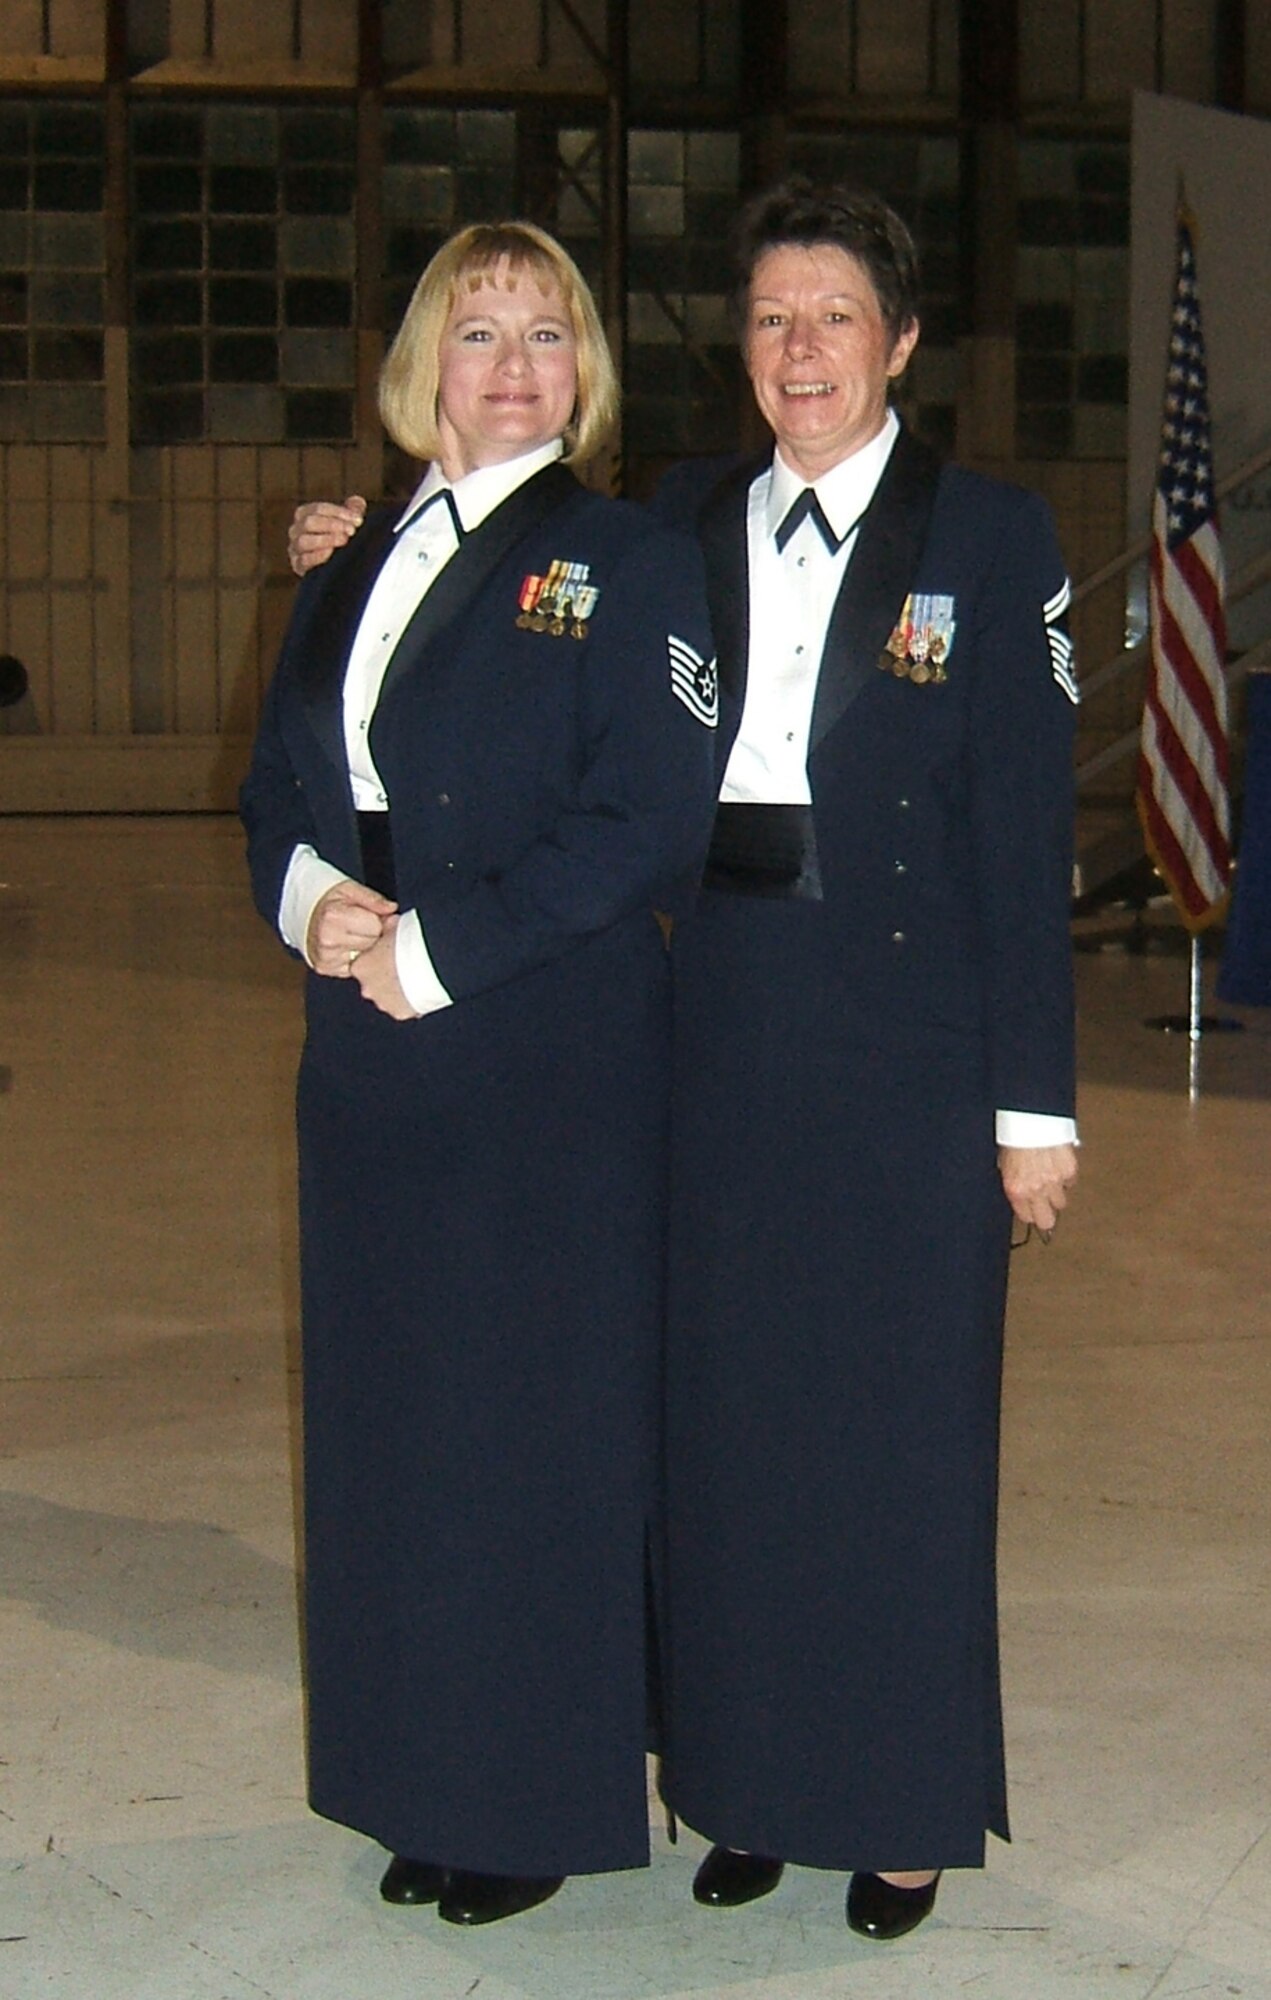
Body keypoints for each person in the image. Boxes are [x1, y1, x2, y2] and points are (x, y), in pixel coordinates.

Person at [285, 178, 1079, 1946]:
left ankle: (895, 1810)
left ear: (902, 344)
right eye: (774, 320)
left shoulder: (994, 534)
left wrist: (1035, 1109)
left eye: (837, 321)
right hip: (715, 1019)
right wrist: (360, 547)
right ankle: (746, 1785)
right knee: (723, 1438)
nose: (802, 352)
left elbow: (1024, 841)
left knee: (896, 1433)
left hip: (907, 1036)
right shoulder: (682, 517)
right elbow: (497, 577)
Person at [241, 221, 718, 1928]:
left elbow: (647, 817)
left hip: (541, 1045)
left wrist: (434, 953)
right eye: (476, 334)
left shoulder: (629, 557)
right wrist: (310, 905)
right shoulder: (350, 560)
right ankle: (412, 1775)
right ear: (419, 372)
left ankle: (523, 1800)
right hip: (362, 1050)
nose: (512, 367)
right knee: (394, 1430)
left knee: (531, 1431)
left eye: (545, 336)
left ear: (585, 373)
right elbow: (280, 789)